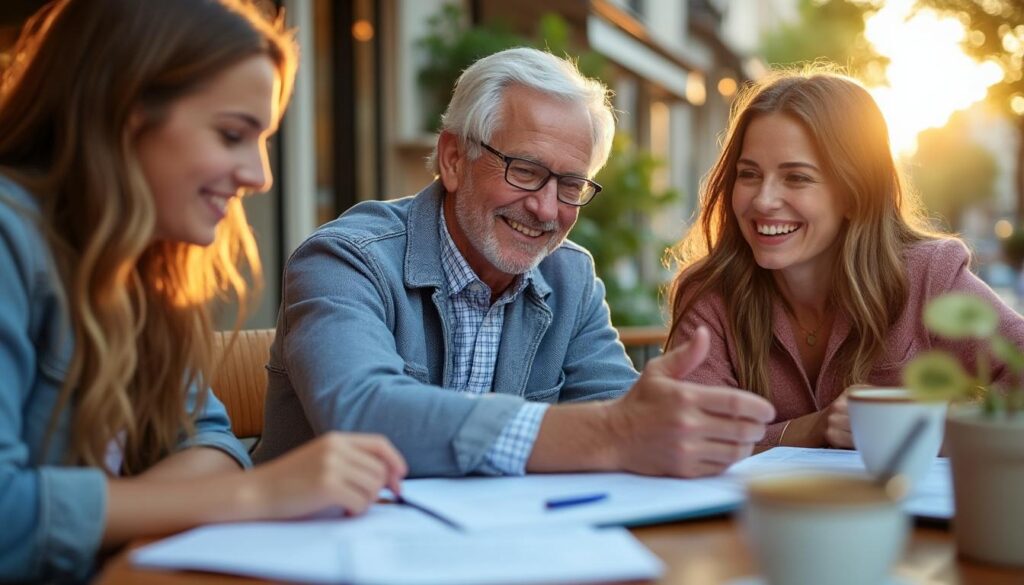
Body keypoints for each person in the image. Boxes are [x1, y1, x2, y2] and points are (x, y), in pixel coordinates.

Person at [0, 1, 406, 582]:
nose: (260, 175)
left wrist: (133, 525)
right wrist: (256, 496)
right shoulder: (11, 241)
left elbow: (211, 443)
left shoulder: (141, 276)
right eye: (232, 134)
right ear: (124, 112)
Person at [254, 47, 775, 478]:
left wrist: (654, 419)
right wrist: (609, 431)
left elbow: (621, 411)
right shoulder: (346, 259)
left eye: (570, 185)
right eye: (525, 171)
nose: (546, 209)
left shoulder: (569, 277)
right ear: (455, 159)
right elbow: (362, 413)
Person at [665, 68, 1024, 448]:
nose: (763, 201)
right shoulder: (711, 293)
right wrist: (807, 431)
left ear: (854, 194)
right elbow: (688, 433)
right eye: (749, 174)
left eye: (797, 178)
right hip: (756, 509)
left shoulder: (927, 275)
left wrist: (930, 432)